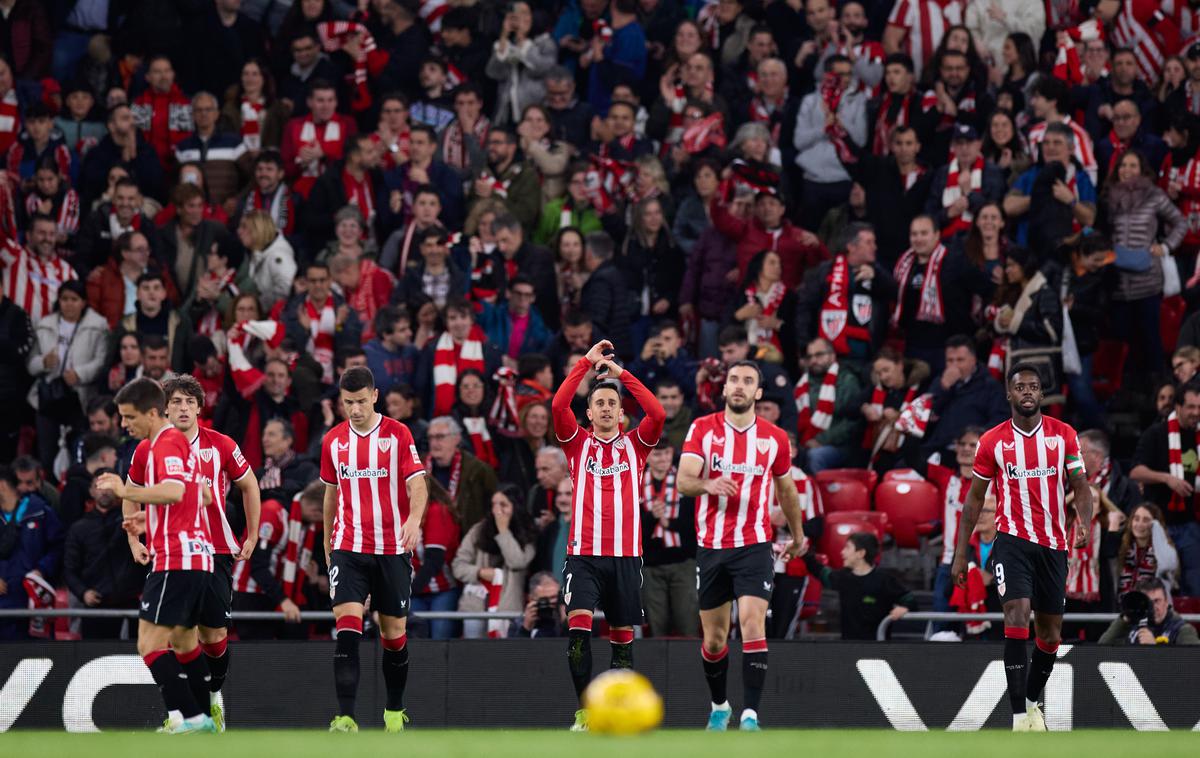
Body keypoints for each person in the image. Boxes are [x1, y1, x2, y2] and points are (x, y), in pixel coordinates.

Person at [951, 362, 1094, 732]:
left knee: (1049, 635)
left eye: (1033, 386)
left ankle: (1031, 703)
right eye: (1020, 387)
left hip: (1053, 545)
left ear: (1041, 394)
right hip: (1012, 540)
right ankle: (1018, 719)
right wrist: (960, 553)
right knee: (1016, 616)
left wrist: (1084, 521)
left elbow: (1080, 485)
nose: (1027, 392)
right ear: (1009, 394)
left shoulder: (1064, 436)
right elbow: (973, 501)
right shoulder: (992, 442)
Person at [675, 359, 806, 731]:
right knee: (715, 641)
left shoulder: (775, 438)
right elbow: (684, 481)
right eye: (734, 379)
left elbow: (786, 489)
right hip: (711, 546)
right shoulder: (702, 428)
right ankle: (720, 706)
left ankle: (751, 714)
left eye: (748, 381)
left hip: (754, 544)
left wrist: (797, 535)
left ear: (758, 392)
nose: (739, 385)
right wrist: (708, 485)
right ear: (724, 387)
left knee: (751, 625)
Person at [550, 339, 665, 732]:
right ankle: (584, 711)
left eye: (611, 404)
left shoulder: (637, 445)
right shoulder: (576, 443)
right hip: (583, 555)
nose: (605, 408)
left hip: (625, 557)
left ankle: (616, 714)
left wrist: (620, 375)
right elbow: (556, 406)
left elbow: (658, 412)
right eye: (599, 403)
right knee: (579, 631)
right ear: (589, 411)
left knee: (621, 642)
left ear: (620, 414)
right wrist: (585, 364)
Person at [94, 378, 216, 734]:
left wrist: (125, 490)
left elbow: (175, 491)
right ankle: (199, 718)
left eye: (129, 416)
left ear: (151, 412)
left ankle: (193, 719)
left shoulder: (164, 444)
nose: (124, 424)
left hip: (177, 558)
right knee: (183, 642)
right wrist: (148, 521)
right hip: (196, 556)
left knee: (149, 644)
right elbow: (203, 497)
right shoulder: (178, 445)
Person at [320, 366, 426, 733]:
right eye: (348, 403)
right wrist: (326, 540)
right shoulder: (333, 441)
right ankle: (346, 716)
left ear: (375, 396)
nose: (355, 409)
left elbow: (418, 484)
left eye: (361, 401)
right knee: (347, 627)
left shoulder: (397, 434)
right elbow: (331, 494)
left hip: (392, 548)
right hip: (349, 547)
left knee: (394, 635)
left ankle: (394, 711)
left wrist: (413, 520)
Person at [161, 374, 261, 726]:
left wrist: (251, 534)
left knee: (214, 635)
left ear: (200, 408)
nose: (183, 407)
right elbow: (134, 487)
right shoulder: (154, 448)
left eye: (190, 401)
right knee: (175, 636)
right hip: (172, 552)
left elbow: (249, 485)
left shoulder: (220, 444)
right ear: (166, 409)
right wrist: (133, 537)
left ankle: (214, 699)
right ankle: (180, 715)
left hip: (215, 549)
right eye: (176, 401)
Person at [1129, 381, 1200, 595]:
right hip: (1160, 525)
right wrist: (1167, 479)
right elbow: (1135, 471)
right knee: (1157, 587)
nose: (1196, 413)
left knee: (1195, 585)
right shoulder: (1156, 434)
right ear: (1177, 407)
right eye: (1191, 407)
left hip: (1192, 524)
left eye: (1199, 407)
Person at [63, 466, 145, 639]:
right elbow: (69, 570)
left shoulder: (134, 521)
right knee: (94, 660)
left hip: (132, 603)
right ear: (91, 491)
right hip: (96, 606)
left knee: (136, 659)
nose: (104, 491)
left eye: (110, 485)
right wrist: (83, 592)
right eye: (99, 485)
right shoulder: (79, 528)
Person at [452, 484, 538, 639]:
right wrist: (479, 573)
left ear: (516, 506)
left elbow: (517, 562)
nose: (497, 510)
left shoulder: (528, 532)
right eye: (494, 505)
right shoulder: (478, 530)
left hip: (507, 607)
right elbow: (458, 566)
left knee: (503, 656)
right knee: (474, 654)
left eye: (503, 505)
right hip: (475, 606)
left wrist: (503, 531)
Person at [796, 531, 916, 640]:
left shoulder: (884, 579)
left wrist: (904, 607)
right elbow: (822, 573)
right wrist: (805, 555)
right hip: (849, 647)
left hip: (878, 649)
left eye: (847, 548)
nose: (842, 552)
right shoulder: (844, 577)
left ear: (861, 553)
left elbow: (909, 598)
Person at [640, 440, 698, 637]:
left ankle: (691, 665)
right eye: (657, 454)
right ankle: (658, 669)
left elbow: (696, 523)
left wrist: (669, 523)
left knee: (687, 622)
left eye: (666, 453)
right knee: (657, 628)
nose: (662, 459)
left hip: (682, 563)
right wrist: (651, 518)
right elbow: (631, 527)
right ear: (647, 456)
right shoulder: (636, 483)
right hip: (650, 565)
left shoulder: (686, 481)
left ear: (672, 452)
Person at [0, 463, 63, 640]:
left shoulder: (40, 511)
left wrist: (41, 570)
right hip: (3, 605)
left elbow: (58, 547)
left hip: (33, 603)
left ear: (2, 485)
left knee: (36, 660)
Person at [794, 337, 863, 472]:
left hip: (840, 445)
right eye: (810, 356)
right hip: (805, 442)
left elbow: (852, 422)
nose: (814, 360)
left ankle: (817, 493)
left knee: (815, 456)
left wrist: (821, 440)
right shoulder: (802, 384)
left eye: (819, 355)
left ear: (832, 356)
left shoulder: (847, 380)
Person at [425, 416, 499, 533]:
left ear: (457, 438)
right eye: (431, 437)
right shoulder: (418, 466)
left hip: (467, 536)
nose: (434, 443)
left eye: (440, 437)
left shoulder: (478, 470)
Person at [1098, 577, 1200, 645]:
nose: (1153, 607)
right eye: (1148, 602)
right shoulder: (1132, 624)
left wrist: (1154, 649)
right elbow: (1102, 649)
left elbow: (1192, 666)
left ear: (1167, 602)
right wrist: (1126, 617)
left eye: (1157, 601)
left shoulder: (1182, 630)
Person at [1116, 503, 1180, 595]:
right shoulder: (1122, 546)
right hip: (1121, 605)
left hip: (1151, 606)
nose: (1139, 524)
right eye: (1136, 519)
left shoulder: (1162, 550)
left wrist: (1157, 531)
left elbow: (1167, 565)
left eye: (1146, 520)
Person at [509, 570, 567, 637]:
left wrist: (566, 624)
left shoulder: (565, 618)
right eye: (545, 600)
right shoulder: (518, 624)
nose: (552, 603)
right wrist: (526, 628)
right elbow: (515, 647)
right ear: (531, 599)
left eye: (556, 597)